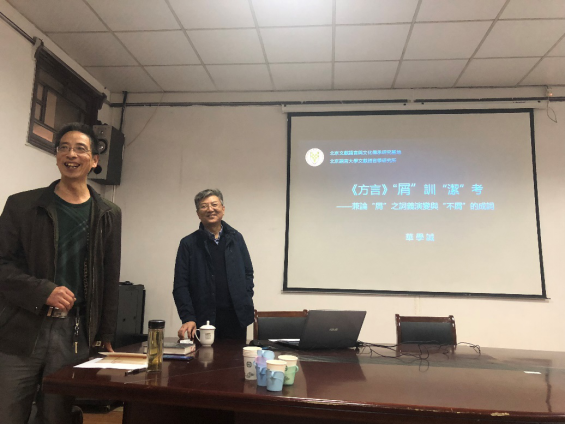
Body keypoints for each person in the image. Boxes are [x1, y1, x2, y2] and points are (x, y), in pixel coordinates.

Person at [0, 123, 122, 424]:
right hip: (21, 328)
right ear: (56, 156)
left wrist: (105, 333)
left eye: (80, 149)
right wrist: (43, 291)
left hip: (74, 333)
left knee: (57, 416)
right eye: (64, 148)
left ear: (94, 160)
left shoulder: (108, 213)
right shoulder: (22, 205)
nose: (71, 154)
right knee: (8, 412)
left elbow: (110, 276)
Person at [173, 189, 254, 343]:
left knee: (235, 357)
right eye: (204, 206)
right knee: (202, 358)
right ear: (198, 214)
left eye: (214, 204)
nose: (210, 209)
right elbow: (180, 284)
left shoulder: (236, 238)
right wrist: (188, 317)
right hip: (202, 319)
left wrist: (245, 297)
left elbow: (248, 272)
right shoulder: (188, 244)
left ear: (223, 209)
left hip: (236, 318)